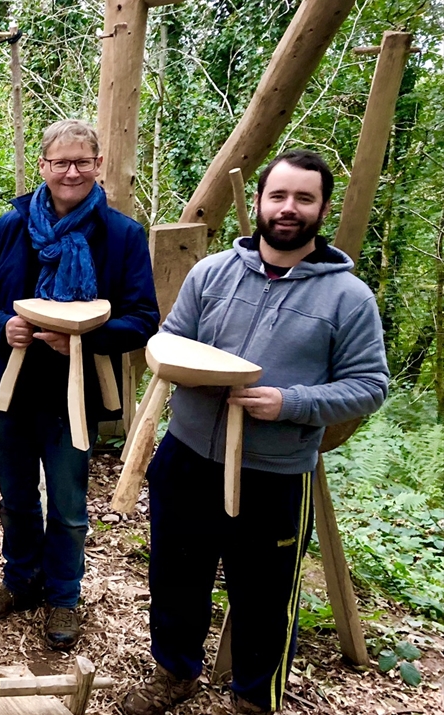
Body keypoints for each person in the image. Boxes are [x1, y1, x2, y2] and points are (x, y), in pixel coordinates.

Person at [121, 150, 389, 715]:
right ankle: (174, 672)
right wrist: (192, 373)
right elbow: (168, 343)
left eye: (304, 198)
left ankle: (253, 700)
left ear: (320, 208)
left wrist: (289, 403)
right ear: (261, 202)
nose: (289, 208)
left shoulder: (348, 298)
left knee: (264, 598)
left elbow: (369, 386)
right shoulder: (211, 273)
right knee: (175, 573)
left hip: (274, 473)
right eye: (279, 195)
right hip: (188, 454)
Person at [0, 119, 159, 649]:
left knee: (69, 505)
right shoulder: (13, 225)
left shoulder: (121, 235)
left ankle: (64, 598)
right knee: (18, 497)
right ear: (43, 167)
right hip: (12, 384)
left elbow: (143, 318)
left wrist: (81, 337)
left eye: (82, 162)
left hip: (76, 393)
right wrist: (3, 324)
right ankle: (20, 581)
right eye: (60, 162)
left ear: (98, 166)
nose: (71, 171)